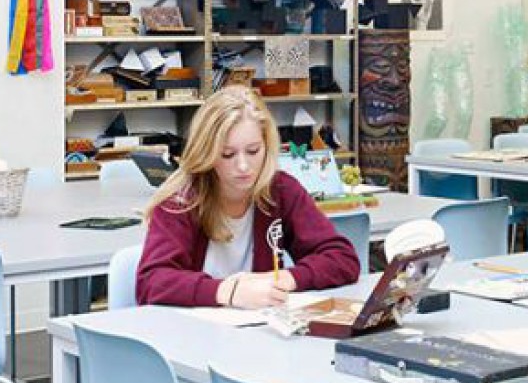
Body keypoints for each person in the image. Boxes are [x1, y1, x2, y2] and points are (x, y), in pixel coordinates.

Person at [136, 85, 360, 308]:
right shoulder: (181, 201)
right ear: (207, 153)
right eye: (227, 154)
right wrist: (229, 291)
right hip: (194, 327)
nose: (243, 166)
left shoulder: (281, 190)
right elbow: (150, 282)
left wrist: (281, 280)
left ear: (267, 146)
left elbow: (343, 259)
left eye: (253, 151)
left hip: (262, 325)